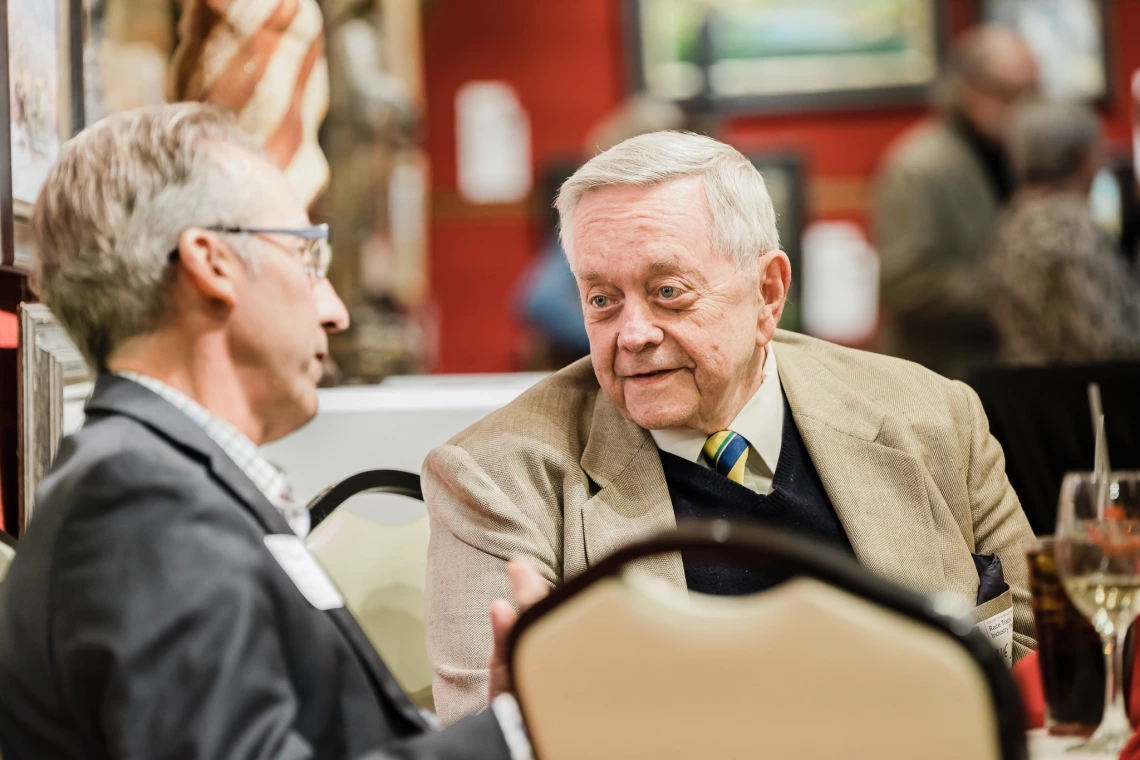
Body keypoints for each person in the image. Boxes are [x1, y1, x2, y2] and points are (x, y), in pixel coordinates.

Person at [423, 130, 1038, 723]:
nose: (632, 334)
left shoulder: (932, 417)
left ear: (767, 293)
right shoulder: (498, 477)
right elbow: (487, 732)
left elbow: (1046, 658)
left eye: (668, 291)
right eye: (602, 300)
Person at [0, 103, 531, 760]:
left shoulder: (164, 482)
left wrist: (509, 716)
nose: (334, 311)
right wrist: (518, 735)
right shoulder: (143, 500)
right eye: (308, 257)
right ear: (211, 261)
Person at [875, 25, 1039, 379]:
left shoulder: (1013, 156)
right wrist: (1019, 292)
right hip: (941, 382)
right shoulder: (918, 165)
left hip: (996, 378)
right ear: (969, 88)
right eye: (1010, 93)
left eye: (1033, 93)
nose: (1024, 109)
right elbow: (906, 285)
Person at [985, 100, 1140, 364]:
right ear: (1084, 156)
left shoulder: (1010, 220)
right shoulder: (1072, 228)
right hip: (1084, 395)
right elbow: (1107, 343)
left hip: (1026, 392)